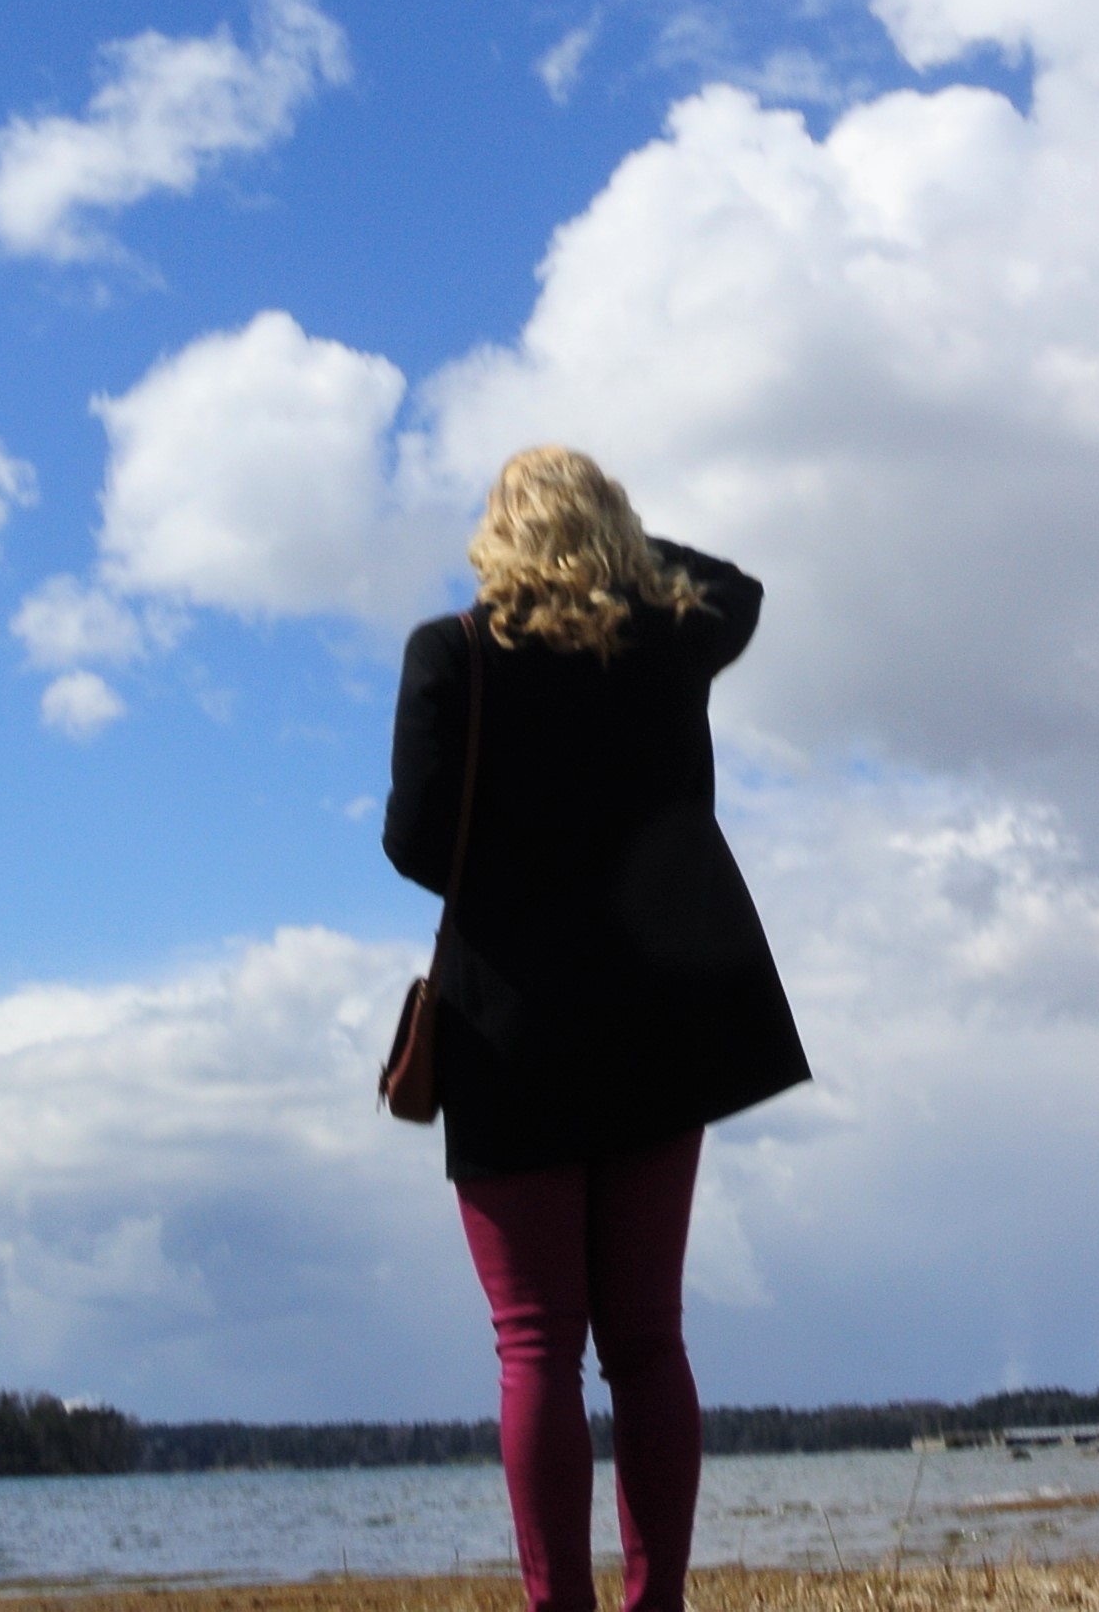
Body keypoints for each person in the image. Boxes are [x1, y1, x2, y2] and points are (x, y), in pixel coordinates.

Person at [383, 446, 813, 1612]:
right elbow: (739, 585)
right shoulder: (669, 633)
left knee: (537, 1348)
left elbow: (416, 845)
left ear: (495, 538)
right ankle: (657, 1600)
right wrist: (617, 549)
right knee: (647, 1341)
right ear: (619, 530)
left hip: (513, 1025)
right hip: (663, 1026)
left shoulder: (454, 653)